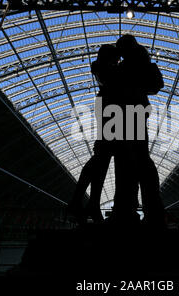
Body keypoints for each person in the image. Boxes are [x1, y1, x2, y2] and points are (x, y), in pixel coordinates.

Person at [110, 34, 166, 226]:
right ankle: (151, 208)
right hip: (137, 112)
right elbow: (157, 85)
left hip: (125, 114)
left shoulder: (128, 66)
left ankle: (125, 210)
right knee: (141, 160)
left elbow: (115, 87)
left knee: (126, 163)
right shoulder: (143, 62)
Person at [67, 44, 120, 223]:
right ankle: (81, 201)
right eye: (116, 57)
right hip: (111, 110)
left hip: (107, 107)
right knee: (101, 156)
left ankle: (91, 203)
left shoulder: (101, 68)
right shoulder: (108, 70)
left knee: (102, 158)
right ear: (110, 57)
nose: (119, 60)